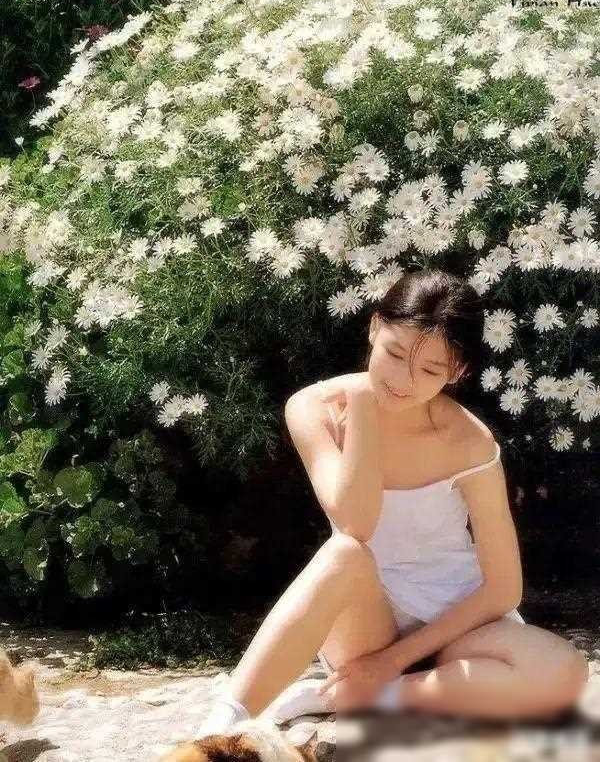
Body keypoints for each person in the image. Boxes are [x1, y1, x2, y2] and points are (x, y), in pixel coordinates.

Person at [197, 268, 589, 735]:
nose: (403, 380)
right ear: (374, 327)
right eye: (394, 353)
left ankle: (361, 696)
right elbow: (356, 524)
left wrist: (392, 662)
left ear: (458, 372)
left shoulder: (470, 441)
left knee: (565, 672)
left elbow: (504, 589)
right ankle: (218, 725)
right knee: (345, 553)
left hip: (459, 627)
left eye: (430, 370)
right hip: (366, 618)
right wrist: (363, 408)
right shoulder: (314, 408)